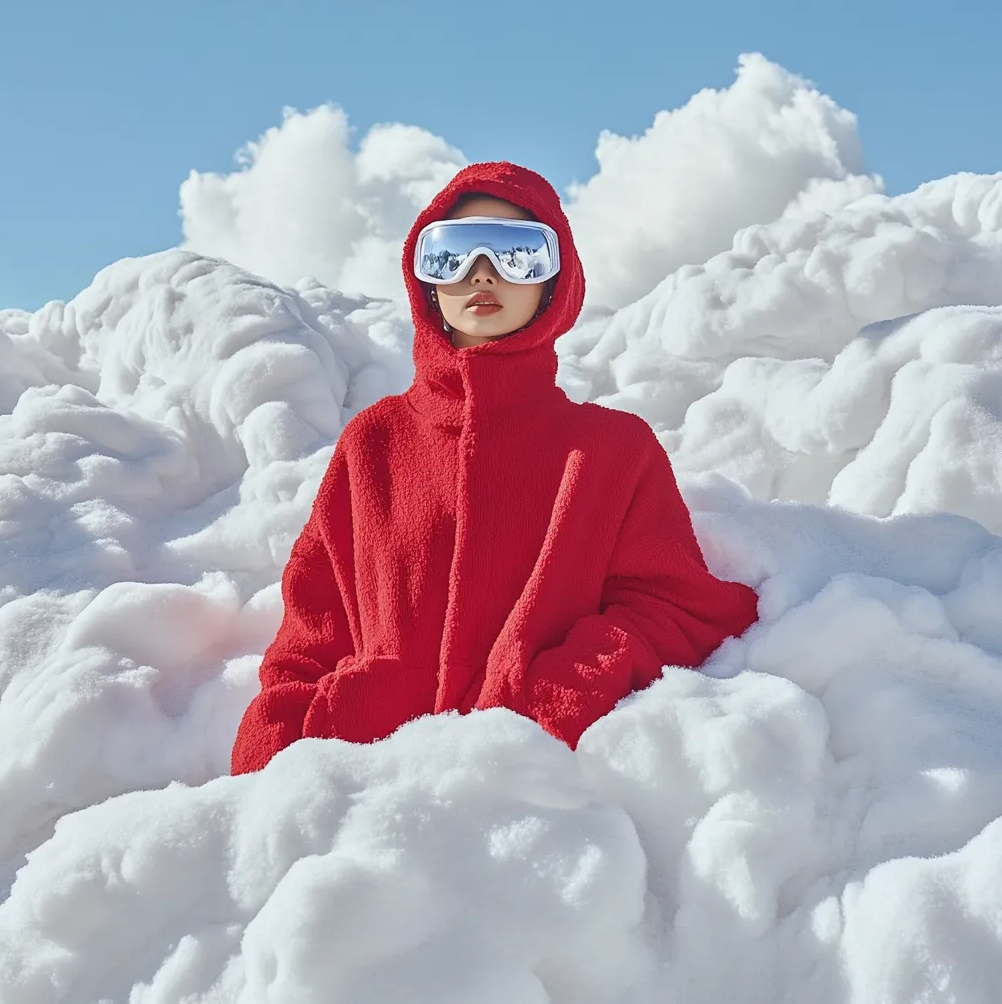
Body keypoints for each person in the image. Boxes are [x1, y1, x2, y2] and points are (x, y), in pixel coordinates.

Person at [230, 161, 758, 775]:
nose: (482, 272)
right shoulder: (373, 442)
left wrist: (551, 701)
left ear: (556, 281)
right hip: (356, 784)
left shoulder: (611, 450)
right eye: (450, 252)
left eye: (518, 252)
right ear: (423, 277)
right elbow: (312, 633)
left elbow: (677, 609)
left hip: (520, 791)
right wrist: (280, 756)